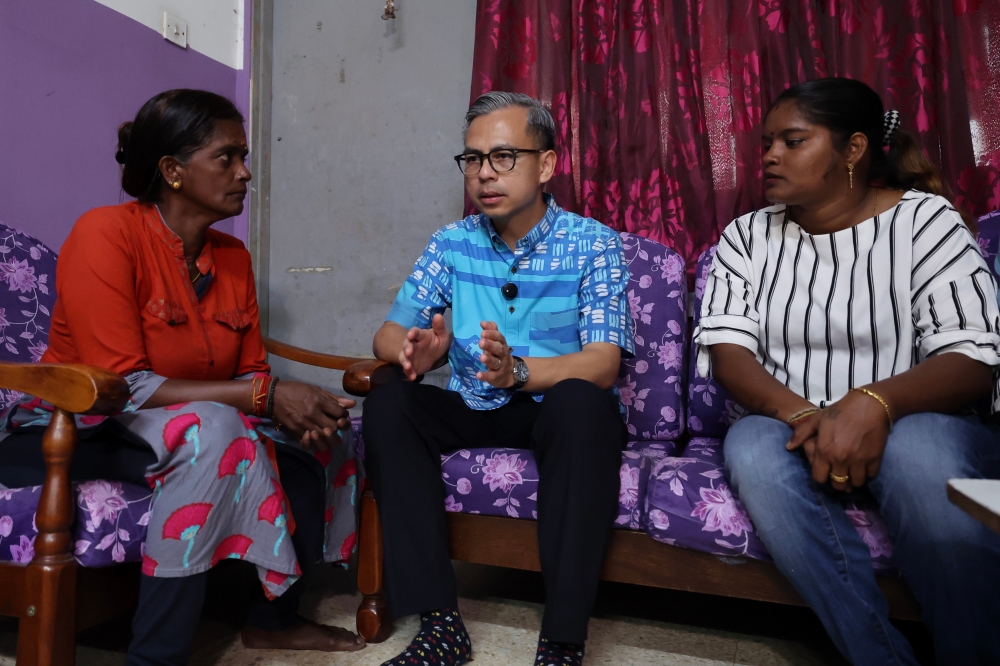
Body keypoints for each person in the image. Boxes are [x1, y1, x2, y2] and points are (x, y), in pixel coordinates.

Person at [0, 89, 365, 665]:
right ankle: (156, 656)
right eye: (227, 157)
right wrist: (263, 396)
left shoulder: (232, 257)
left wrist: (289, 406)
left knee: (325, 432)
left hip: (168, 425)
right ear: (172, 171)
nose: (245, 172)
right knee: (214, 434)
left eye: (244, 156)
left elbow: (250, 371)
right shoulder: (105, 234)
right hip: (75, 430)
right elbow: (117, 385)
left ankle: (270, 619)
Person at [695, 77, 1000, 665]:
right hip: (789, 420)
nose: (771, 156)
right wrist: (809, 415)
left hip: (918, 422)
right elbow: (730, 354)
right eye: (766, 144)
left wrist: (873, 404)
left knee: (919, 453)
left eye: (793, 140)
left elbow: (973, 360)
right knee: (751, 451)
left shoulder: (926, 223)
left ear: (853, 149)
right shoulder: (748, 236)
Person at [362, 91, 635, 666]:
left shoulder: (593, 244)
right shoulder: (451, 243)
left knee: (586, 405)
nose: (484, 173)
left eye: (504, 156)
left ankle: (562, 640)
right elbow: (389, 336)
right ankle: (440, 626)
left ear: (548, 164)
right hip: (471, 402)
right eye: (473, 159)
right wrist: (421, 351)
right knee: (389, 403)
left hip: (553, 410)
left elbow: (604, 361)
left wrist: (519, 372)